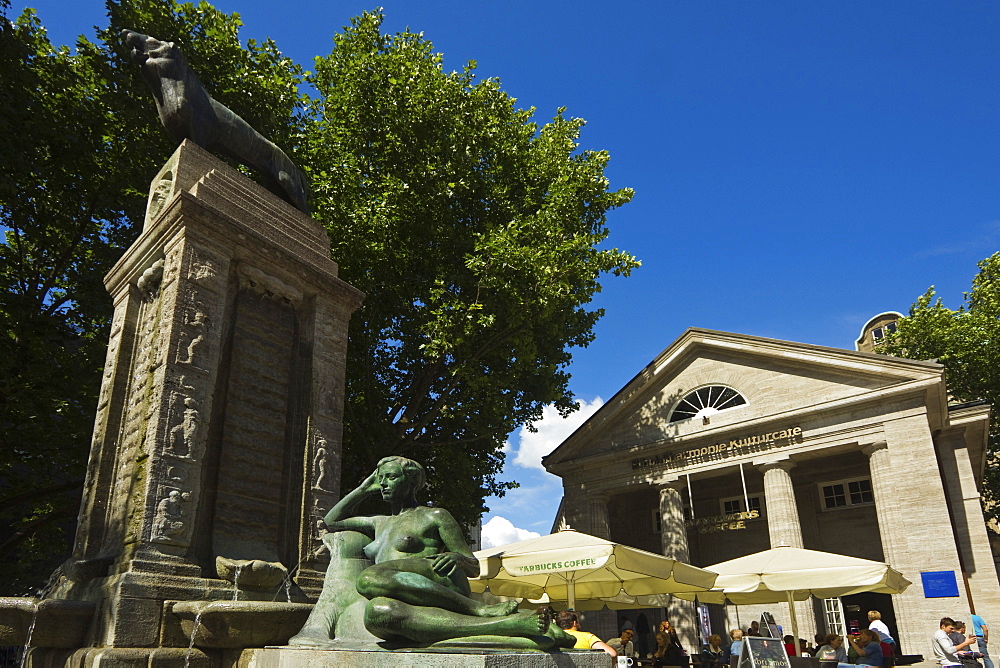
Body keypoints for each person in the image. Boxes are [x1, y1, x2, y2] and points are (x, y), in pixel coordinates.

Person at [324, 456, 571, 646]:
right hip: (400, 597)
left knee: (368, 578)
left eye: (390, 477)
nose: (383, 484)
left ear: (410, 482)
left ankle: (476, 608)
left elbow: (473, 566)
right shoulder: (378, 522)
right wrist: (363, 488)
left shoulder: (434, 515)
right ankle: (508, 624)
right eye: (380, 479)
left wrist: (457, 557)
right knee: (378, 613)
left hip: (437, 581)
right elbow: (331, 521)